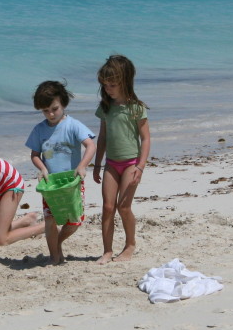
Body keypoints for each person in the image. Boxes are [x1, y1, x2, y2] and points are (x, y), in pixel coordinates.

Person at [26, 80, 96, 265]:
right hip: (50, 183)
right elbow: (34, 154)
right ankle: (55, 255)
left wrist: (82, 165)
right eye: (45, 111)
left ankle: (57, 243)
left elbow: (90, 145)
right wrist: (42, 168)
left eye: (54, 109)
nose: (50, 114)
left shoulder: (74, 125)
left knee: (75, 220)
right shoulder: (39, 129)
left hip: (72, 181)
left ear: (63, 103)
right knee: (50, 219)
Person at [92, 55, 151, 264]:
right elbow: (103, 138)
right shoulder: (106, 107)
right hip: (111, 164)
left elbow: (145, 139)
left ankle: (130, 245)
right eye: (105, 85)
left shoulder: (136, 107)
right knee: (108, 207)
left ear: (125, 81)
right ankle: (107, 251)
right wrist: (97, 164)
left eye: (112, 84)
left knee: (123, 207)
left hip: (130, 164)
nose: (108, 88)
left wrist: (140, 167)